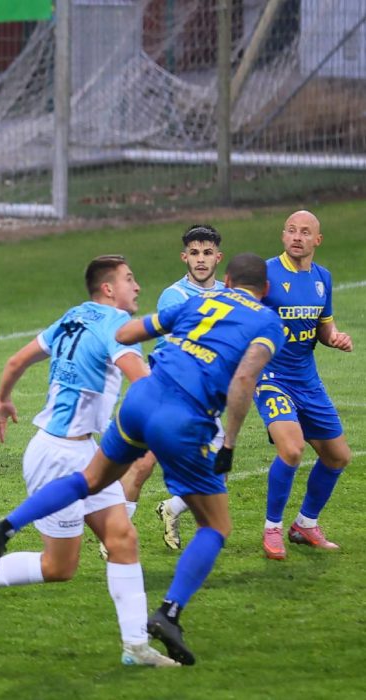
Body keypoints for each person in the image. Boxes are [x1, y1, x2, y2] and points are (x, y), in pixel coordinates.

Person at [0, 254, 286, 666]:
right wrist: (228, 442)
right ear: (266, 290)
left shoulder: (198, 302)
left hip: (140, 402)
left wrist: (177, 342)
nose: (136, 286)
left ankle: (6, 526)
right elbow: (245, 379)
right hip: (182, 418)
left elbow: (125, 333)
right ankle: (169, 613)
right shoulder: (268, 322)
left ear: (226, 280)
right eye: (129, 279)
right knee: (215, 525)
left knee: (91, 481)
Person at [0, 255, 177, 667]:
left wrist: (2, 399)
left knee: (122, 539)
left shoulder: (73, 316)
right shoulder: (119, 327)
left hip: (84, 451)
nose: (137, 287)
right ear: (108, 289)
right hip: (59, 457)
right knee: (59, 567)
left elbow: (16, 361)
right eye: (129, 279)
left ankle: (135, 646)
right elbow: (144, 384)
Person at [115, 225, 225, 552]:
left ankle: (172, 508)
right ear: (184, 257)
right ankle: (114, 535)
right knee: (144, 463)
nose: (201, 259)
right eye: (194, 253)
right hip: (170, 392)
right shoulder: (174, 296)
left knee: (218, 467)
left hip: (203, 398)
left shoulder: (227, 293)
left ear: (218, 257)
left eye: (207, 253)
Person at [257, 210, 353, 560]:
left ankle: (305, 524)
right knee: (292, 448)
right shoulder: (265, 273)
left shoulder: (322, 278)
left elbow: (323, 326)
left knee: (338, 456)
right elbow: (239, 313)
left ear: (318, 240)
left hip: (307, 380)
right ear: (283, 236)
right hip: (270, 377)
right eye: (291, 230)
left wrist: (335, 337)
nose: (297, 237)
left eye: (305, 232)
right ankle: (272, 528)